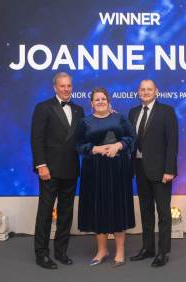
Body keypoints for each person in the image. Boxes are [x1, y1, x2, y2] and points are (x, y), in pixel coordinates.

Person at [76, 87, 136, 268]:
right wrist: (95, 149)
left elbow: (132, 138)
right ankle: (102, 250)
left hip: (118, 170)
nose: (100, 102)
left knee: (117, 209)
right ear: (91, 103)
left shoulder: (120, 118)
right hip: (94, 171)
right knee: (98, 209)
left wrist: (119, 145)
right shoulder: (85, 122)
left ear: (109, 101)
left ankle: (120, 251)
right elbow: (78, 145)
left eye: (103, 99)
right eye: (97, 99)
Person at [31, 72, 84, 269]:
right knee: (45, 212)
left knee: (66, 213)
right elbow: (36, 139)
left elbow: (84, 136)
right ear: (55, 87)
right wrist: (41, 165)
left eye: (69, 85)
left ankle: (61, 251)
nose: (66, 89)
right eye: (62, 86)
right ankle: (41, 254)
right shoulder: (43, 107)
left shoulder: (79, 110)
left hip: (71, 169)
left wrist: (107, 117)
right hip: (49, 170)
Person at [129, 79, 178, 267]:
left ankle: (163, 252)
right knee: (146, 211)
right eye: (142, 89)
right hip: (140, 169)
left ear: (156, 91)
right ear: (138, 92)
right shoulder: (133, 112)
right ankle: (148, 249)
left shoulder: (167, 112)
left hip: (161, 171)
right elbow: (130, 139)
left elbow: (172, 143)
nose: (146, 92)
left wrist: (169, 170)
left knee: (164, 213)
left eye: (149, 89)